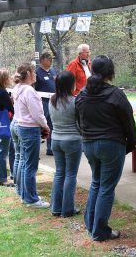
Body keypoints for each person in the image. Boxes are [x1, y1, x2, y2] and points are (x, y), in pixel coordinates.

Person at [75, 55, 136, 241]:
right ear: (110, 73)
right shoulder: (115, 94)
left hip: (89, 144)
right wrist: (130, 144)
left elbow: (78, 121)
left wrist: (86, 137)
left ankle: (91, 224)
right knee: (106, 187)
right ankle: (100, 230)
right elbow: (129, 122)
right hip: (110, 144)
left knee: (97, 183)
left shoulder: (82, 95)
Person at [12, 63, 50, 208]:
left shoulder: (18, 88)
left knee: (23, 161)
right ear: (28, 73)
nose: (36, 74)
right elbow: (37, 114)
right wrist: (45, 126)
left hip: (20, 126)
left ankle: (24, 193)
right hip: (28, 129)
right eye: (34, 72)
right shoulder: (29, 91)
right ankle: (31, 199)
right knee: (30, 165)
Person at [49, 71, 82, 217]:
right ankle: (68, 209)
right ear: (71, 84)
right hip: (72, 140)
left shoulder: (52, 100)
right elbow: (80, 123)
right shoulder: (75, 101)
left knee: (59, 173)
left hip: (56, 139)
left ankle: (56, 207)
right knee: (71, 175)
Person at [35, 52, 56, 156]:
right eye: (48, 59)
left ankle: (50, 148)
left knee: (51, 125)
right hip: (42, 102)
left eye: (51, 59)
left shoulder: (53, 71)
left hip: (53, 101)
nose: (51, 61)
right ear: (42, 60)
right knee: (42, 125)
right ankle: (36, 150)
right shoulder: (37, 72)